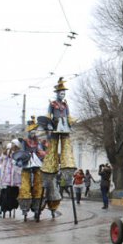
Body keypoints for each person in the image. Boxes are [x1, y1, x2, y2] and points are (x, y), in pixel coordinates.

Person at [41, 77, 77, 215]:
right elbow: (48, 115)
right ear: (56, 93)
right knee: (53, 148)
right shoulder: (53, 104)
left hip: (64, 127)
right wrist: (49, 124)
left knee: (67, 145)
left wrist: (71, 122)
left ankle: (68, 171)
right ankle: (50, 170)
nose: (63, 94)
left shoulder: (65, 105)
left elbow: (68, 116)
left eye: (64, 92)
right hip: (55, 127)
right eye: (61, 92)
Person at [17, 117, 48, 221]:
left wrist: (43, 155)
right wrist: (21, 159)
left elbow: (39, 150)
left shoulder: (38, 142)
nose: (33, 133)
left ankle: (37, 207)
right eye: (31, 131)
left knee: (38, 183)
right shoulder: (25, 141)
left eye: (34, 131)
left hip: (36, 162)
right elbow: (22, 151)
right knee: (25, 183)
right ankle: (25, 206)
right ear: (29, 132)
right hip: (27, 162)